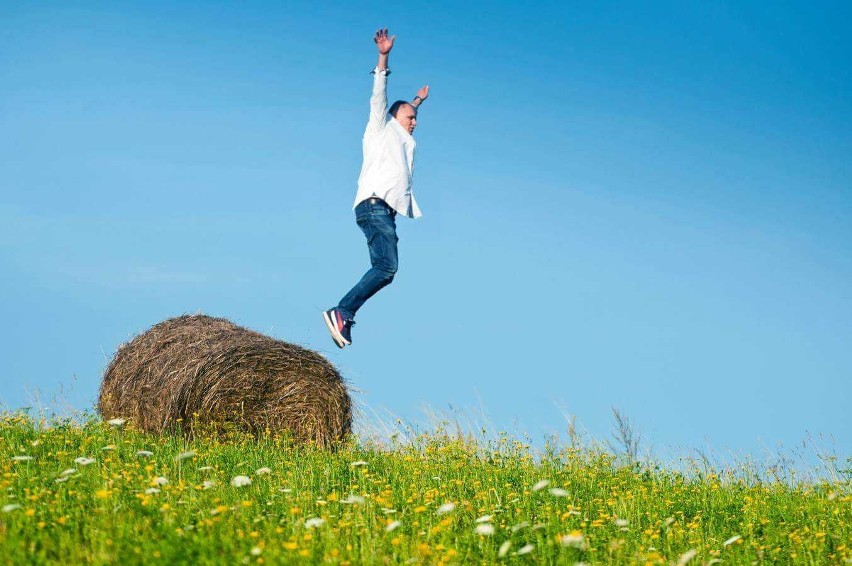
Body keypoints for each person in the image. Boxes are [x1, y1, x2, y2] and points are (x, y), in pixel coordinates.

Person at [323, 28, 429, 348]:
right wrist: (384, 56)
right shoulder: (379, 128)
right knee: (386, 267)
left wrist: (417, 101)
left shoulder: (401, 135)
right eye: (410, 117)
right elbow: (381, 97)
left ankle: (344, 312)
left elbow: (405, 111)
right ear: (395, 117)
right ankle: (342, 311)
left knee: (386, 268)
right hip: (374, 205)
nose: (415, 121)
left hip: (382, 210)